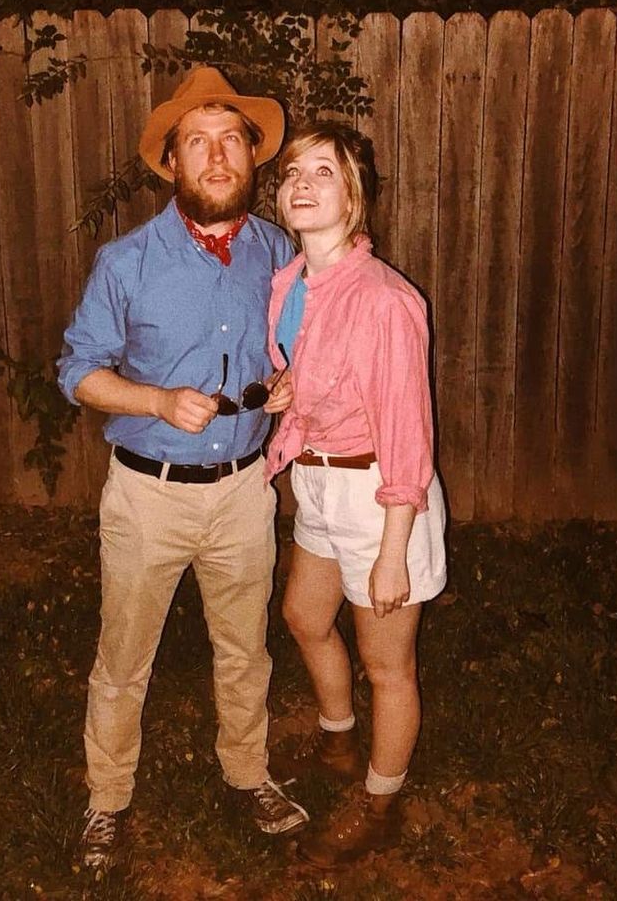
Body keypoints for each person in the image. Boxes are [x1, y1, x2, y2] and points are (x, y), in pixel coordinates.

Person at [58, 66, 309, 872]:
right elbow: (78, 372)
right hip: (147, 495)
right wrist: (158, 401)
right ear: (171, 163)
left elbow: (305, 338)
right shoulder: (126, 262)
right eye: (195, 142)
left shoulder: (277, 251)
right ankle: (106, 799)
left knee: (245, 649)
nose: (215, 155)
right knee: (123, 657)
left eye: (229, 138)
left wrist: (289, 380)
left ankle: (249, 772)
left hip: (243, 492)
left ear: (251, 156)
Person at [265, 121, 447, 868]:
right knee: (304, 616)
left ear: (354, 196)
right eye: (291, 173)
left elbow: (408, 430)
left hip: (381, 495)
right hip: (317, 482)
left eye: (324, 173)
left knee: (388, 666)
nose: (301, 184)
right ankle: (339, 740)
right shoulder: (290, 283)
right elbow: (318, 372)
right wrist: (292, 392)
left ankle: (379, 799)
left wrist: (394, 554)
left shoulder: (385, 300)